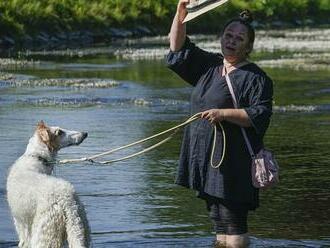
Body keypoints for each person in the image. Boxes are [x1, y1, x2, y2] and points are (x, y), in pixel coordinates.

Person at [166, 1, 273, 247]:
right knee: (218, 218)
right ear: (221, 37)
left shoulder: (257, 78)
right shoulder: (210, 65)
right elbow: (178, 47)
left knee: (233, 219)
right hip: (206, 157)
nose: (232, 41)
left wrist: (223, 113)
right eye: (228, 35)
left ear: (248, 46)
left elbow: (259, 115)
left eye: (239, 38)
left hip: (234, 162)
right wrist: (181, 10)